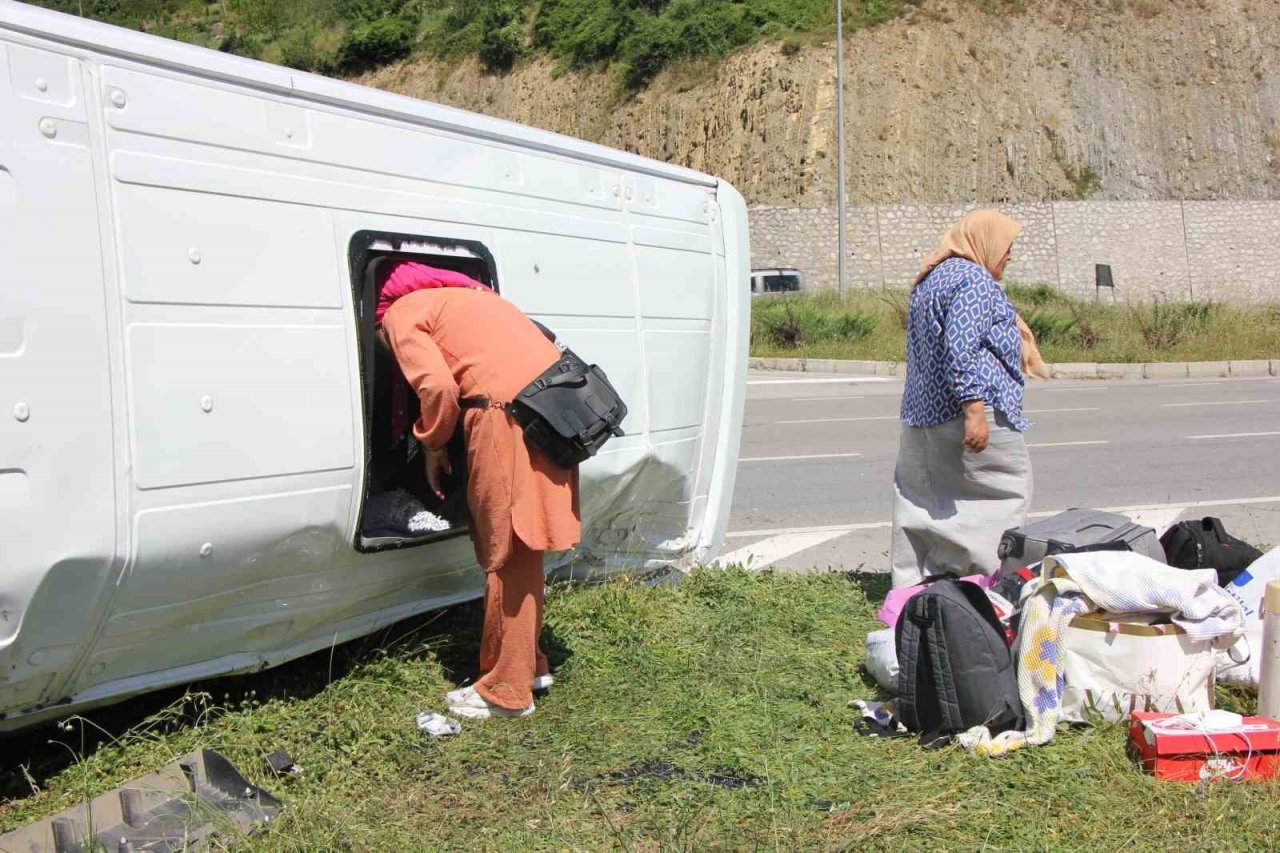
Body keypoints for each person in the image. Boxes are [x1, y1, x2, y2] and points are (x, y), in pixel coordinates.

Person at [375, 261, 580, 719]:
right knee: (525, 549)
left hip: (503, 422)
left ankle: (507, 693)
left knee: (505, 552)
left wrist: (432, 444)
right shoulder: (478, 301)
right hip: (551, 420)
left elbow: (437, 386)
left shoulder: (400, 314)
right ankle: (529, 665)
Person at [889, 209, 1049, 588]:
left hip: (924, 413)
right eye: (1007, 246)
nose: (1009, 255)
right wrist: (974, 410)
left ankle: (918, 584)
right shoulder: (974, 281)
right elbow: (961, 348)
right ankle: (990, 583)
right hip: (972, 409)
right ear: (985, 241)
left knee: (923, 501)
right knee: (1005, 493)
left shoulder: (932, 277)